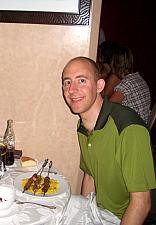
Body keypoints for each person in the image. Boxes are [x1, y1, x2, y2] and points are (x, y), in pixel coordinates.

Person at [62, 56, 156, 224]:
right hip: (102, 213)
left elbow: (141, 203)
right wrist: (83, 216)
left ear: (99, 86)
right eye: (67, 82)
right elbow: (90, 176)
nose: (72, 89)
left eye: (81, 80)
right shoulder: (83, 126)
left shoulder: (128, 127)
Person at [109, 45, 151, 124]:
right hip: (142, 127)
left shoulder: (125, 85)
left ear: (114, 63)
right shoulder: (139, 78)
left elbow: (107, 111)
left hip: (133, 130)